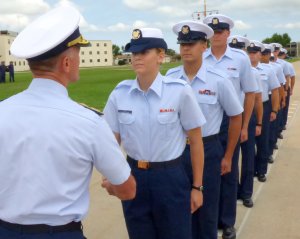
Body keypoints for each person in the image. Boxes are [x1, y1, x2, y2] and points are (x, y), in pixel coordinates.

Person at [0, 6, 136, 239]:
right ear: (66, 63)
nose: (79, 60)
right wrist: (112, 188)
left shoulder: (3, 111)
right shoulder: (88, 122)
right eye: (78, 54)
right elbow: (127, 189)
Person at [104, 27, 206, 239]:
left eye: (144, 52)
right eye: (134, 53)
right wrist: (110, 175)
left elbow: (196, 141)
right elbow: (111, 140)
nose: (137, 58)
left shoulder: (179, 91)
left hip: (170, 177)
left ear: (161, 56)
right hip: (134, 175)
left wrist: (197, 187)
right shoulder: (119, 94)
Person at [166, 21, 243, 239]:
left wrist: (228, 155)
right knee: (180, 209)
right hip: (177, 152)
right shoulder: (170, 79)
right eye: (182, 44)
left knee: (207, 211)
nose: (186, 49)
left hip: (209, 149)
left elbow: (236, 117)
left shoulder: (219, 80)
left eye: (192, 43)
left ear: (204, 46)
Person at [203, 14, 258, 239]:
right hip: (205, 120)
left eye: (220, 31)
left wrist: (244, 125)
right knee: (204, 173)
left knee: (228, 169)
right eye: (212, 31)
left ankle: (226, 222)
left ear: (227, 34)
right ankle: (208, 219)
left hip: (230, 121)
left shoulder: (240, 59)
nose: (215, 35)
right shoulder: (201, 56)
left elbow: (250, 92)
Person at [228, 37, 263, 208]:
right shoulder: (225, 70)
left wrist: (256, 123)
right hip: (230, 118)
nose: (238, 52)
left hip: (246, 117)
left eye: (240, 48)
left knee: (248, 157)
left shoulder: (253, 72)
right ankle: (233, 192)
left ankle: (246, 193)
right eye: (233, 48)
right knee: (231, 160)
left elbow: (256, 99)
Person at [254, 42, 280, 182]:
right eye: (249, 52)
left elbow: (275, 91)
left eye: (256, 52)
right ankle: (251, 170)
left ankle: (261, 170)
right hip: (246, 109)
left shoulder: (268, 70)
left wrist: (274, 110)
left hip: (264, 106)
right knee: (248, 145)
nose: (253, 55)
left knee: (262, 140)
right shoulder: (242, 70)